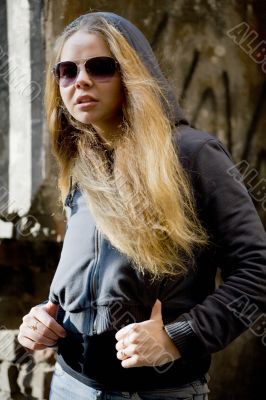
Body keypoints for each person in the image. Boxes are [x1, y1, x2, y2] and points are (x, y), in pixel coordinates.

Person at [17, 11, 266, 400]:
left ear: (131, 74)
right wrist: (47, 315)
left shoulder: (193, 154)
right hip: (69, 385)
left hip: (157, 391)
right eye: (66, 70)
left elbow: (257, 269)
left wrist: (179, 337)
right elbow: (92, 274)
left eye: (100, 67)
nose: (80, 80)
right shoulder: (81, 162)